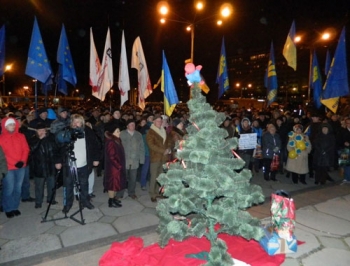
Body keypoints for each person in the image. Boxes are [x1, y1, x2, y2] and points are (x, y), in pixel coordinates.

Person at [55, 114, 101, 214]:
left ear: (82, 123)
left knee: (84, 184)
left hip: (84, 164)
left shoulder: (87, 131)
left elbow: (96, 144)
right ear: (71, 123)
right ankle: (68, 204)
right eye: (74, 122)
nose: (76, 124)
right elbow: (59, 147)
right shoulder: (66, 132)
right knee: (69, 185)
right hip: (69, 165)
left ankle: (85, 201)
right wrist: (58, 161)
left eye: (78, 122)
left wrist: (96, 158)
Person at [0, 117, 30, 218]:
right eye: (9, 124)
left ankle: (14, 207)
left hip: (21, 166)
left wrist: (22, 161)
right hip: (8, 167)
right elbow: (2, 155)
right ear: (5, 126)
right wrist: (14, 162)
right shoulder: (1, 138)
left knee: (18, 188)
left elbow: (26, 149)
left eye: (13, 124)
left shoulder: (21, 136)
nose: (12, 126)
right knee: (9, 188)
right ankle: (8, 208)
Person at [29, 122, 59, 208]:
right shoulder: (33, 140)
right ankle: (38, 202)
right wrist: (40, 140)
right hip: (39, 166)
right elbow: (31, 150)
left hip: (50, 165)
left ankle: (51, 199)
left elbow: (56, 150)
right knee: (39, 186)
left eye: (43, 130)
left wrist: (58, 162)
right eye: (39, 130)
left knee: (52, 184)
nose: (42, 132)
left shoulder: (51, 139)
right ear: (36, 131)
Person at [117, 119, 145, 200]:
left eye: (134, 124)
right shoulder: (122, 134)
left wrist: (141, 160)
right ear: (127, 126)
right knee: (122, 178)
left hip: (134, 160)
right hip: (124, 160)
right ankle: (120, 193)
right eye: (131, 124)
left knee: (133, 178)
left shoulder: (138, 134)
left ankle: (131, 192)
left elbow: (141, 148)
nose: (133, 126)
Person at [146, 115, 170, 202]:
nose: (160, 122)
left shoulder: (163, 131)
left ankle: (158, 192)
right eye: (158, 121)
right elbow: (151, 145)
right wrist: (163, 150)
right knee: (154, 177)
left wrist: (168, 149)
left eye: (161, 121)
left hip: (163, 158)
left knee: (160, 176)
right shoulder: (151, 132)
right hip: (155, 157)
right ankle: (152, 194)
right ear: (154, 122)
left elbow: (167, 142)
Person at [104, 125, 125, 208]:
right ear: (112, 133)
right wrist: (119, 166)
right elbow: (111, 156)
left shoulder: (116, 140)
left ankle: (114, 200)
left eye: (119, 131)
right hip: (113, 168)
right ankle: (111, 201)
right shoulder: (111, 142)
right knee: (112, 185)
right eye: (117, 131)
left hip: (116, 167)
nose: (119, 133)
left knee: (116, 184)